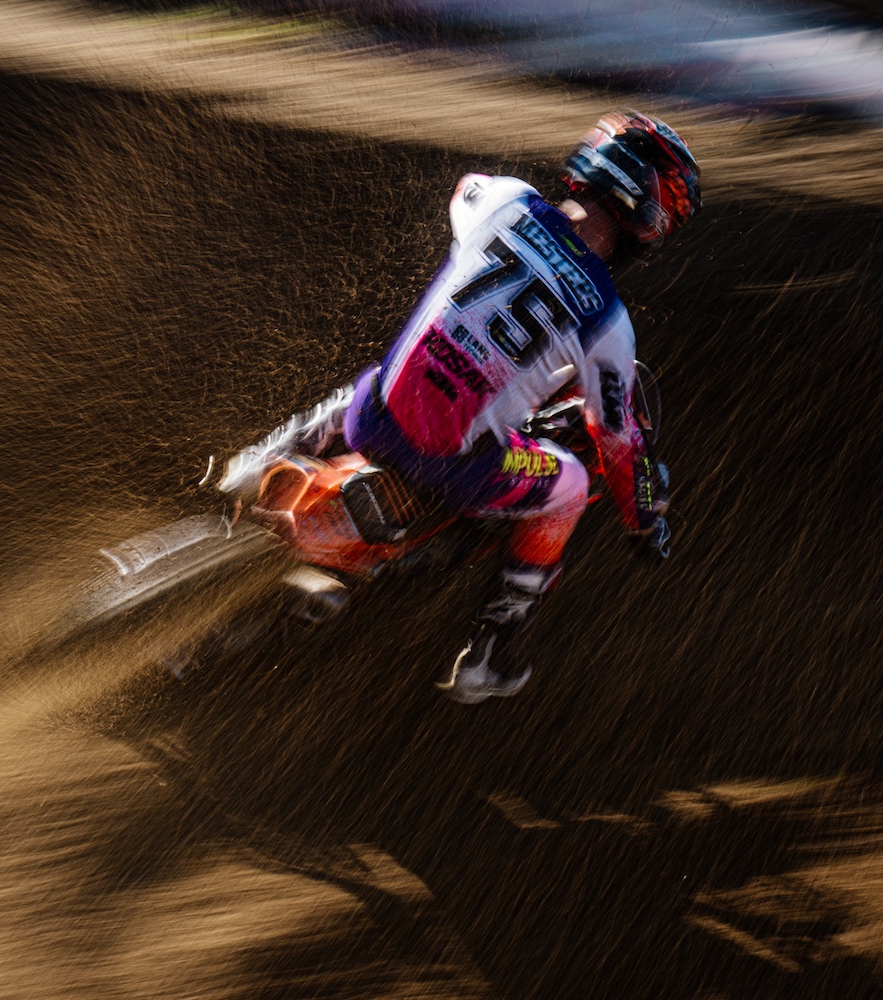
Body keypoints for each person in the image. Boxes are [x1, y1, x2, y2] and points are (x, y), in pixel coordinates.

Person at [289, 110, 702, 703]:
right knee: (570, 484)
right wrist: (643, 520)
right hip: (451, 467)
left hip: (369, 418)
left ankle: (277, 452)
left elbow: (467, 192)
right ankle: (490, 651)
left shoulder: (505, 198)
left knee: (386, 372)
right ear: (649, 216)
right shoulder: (609, 325)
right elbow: (619, 441)